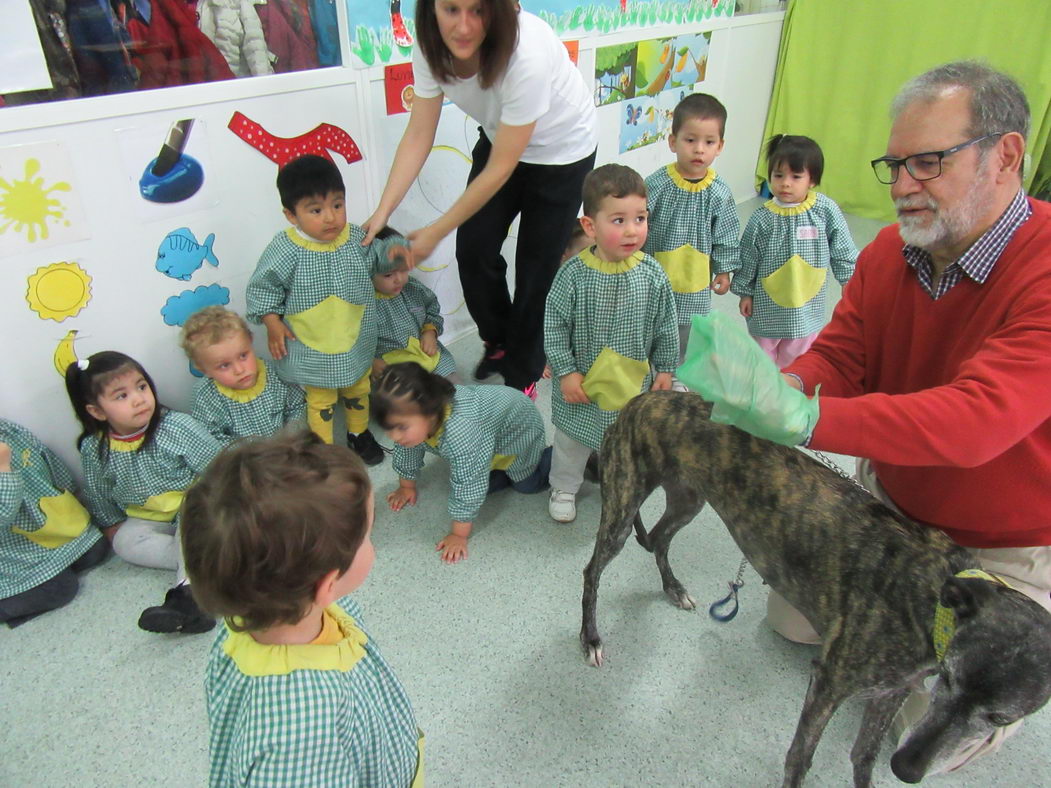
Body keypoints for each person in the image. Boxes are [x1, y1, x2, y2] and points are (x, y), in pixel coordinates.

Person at [685, 61, 1051, 773]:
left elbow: (976, 419)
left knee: (925, 731)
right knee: (794, 623)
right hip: (890, 511)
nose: (902, 184)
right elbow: (842, 358)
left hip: (1002, 546)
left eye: (927, 161)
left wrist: (797, 418)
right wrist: (778, 384)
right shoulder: (891, 252)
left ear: (1004, 156)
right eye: (893, 165)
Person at [363, 0, 597, 400]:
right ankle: (501, 341)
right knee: (474, 249)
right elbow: (419, 132)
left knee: (535, 271)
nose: (464, 27)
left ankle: (521, 372)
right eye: (451, 9)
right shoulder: (429, 45)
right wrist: (382, 211)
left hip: (563, 152)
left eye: (478, 10)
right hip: (502, 140)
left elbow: (500, 170)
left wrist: (435, 229)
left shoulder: (526, 53)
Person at [181, 430, 422, 787]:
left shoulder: (250, 615)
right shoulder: (301, 730)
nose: (372, 545)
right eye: (368, 535)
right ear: (326, 585)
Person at [246, 154, 412, 465]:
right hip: (312, 341)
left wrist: (402, 248)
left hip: (353, 334)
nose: (330, 217)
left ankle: (358, 434)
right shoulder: (285, 249)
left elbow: (381, 258)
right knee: (320, 399)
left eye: (338, 205)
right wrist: (271, 321)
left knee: (357, 388)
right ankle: (322, 449)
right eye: (316, 210)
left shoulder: (353, 239)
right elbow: (263, 287)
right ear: (290, 215)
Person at [544, 163, 678, 523]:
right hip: (582, 384)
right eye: (618, 220)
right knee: (571, 441)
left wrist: (665, 368)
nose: (632, 230)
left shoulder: (652, 275)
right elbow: (554, 327)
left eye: (640, 218)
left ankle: (618, 484)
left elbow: (666, 325)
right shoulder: (572, 276)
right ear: (591, 225)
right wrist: (566, 372)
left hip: (631, 381)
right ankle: (565, 487)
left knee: (624, 441)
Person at [65, 351, 221, 633]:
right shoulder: (94, 448)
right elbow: (99, 491)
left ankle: (189, 595)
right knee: (124, 543)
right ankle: (214, 562)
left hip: (196, 506)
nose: (139, 399)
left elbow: (217, 466)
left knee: (193, 515)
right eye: (121, 396)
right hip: (147, 518)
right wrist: (111, 524)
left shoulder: (176, 427)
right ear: (97, 411)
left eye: (141, 387)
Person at [373, 362, 550, 563]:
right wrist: (406, 485)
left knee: (526, 484)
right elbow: (407, 448)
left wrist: (459, 535)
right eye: (388, 428)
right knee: (483, 486)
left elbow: (469, 483)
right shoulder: (422, 421)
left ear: (430, 412)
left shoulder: (461, 431)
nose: (394, 436)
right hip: (489, 441)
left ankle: (561, 457)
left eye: (401, 428)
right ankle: (494, 468)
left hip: (519, 438)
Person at [731, 134, 858, 368]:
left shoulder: (825, 211)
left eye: (796, 176)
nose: (785, 183)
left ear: (812, 180)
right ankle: (763, 395)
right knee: (761, 359)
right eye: (778, 175)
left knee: (798, 359)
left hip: (805, 305)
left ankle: (791, 395)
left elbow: (842, 248)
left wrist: (849, 280)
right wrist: (745, 292)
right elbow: (748, 257)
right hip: (766, 307)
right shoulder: (761, 218)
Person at [644, 92, 739, 380]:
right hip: (655, 278)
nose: (699, 149)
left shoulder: (719, 192)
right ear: (673, 141)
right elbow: (638, 221)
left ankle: (677, 378)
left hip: (694, 284)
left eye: (709, 142)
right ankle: (647, 376)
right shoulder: (656, 184)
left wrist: (724, 269)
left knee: (685, 334)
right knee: (650, 327)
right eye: (690, 140)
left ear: (720, 146)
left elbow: (726, 233)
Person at [0, 419, 110, 628]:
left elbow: (44, 458)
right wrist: (2, 468)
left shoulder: (6, 429)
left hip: (46, 527)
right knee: (61, 589)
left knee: (97, 549)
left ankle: (55, 566)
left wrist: (70, 491)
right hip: (13, 556)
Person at [181, 305, 306, 443]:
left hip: (288, 448)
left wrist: (289, 438)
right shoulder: (205, 396)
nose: (239, 370)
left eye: (243, 356)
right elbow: (212, 438)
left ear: (250, 341)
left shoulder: (275, 373)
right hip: (243, 460)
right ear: (204, 369)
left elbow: (298, 407)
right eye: (224, 365)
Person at [371, 227, 458, 382]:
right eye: (388, 275)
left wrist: (430, 332)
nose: (399, 279)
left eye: (403, 270)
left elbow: (432, 309)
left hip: (424, 352)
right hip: (391, 365)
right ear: (368, 272)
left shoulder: (413, 288)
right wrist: (371, 363)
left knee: (452, 385)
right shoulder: (362, 303)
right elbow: (350, 343)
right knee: (400, 398)